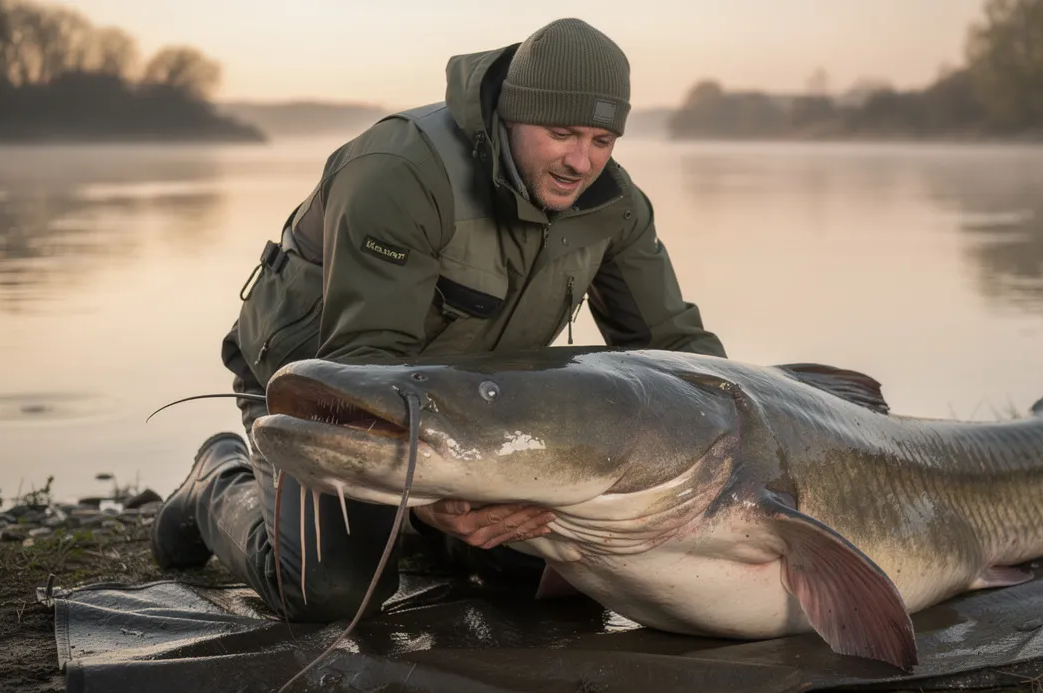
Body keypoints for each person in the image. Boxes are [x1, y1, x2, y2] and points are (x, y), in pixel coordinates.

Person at [149, 18, 725, 622]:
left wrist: (755, 432)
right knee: (335, 596)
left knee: (566, 571)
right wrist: (435, 496)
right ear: (511, 113)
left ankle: (443, 534)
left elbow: (675, 351)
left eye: (602, 140)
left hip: (462, 412)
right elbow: (363, 362)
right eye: (562, 133)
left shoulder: (615, 205)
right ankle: (217, 481)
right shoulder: (400, 173)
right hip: (325, 391)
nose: (581, 162)